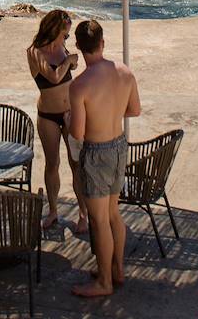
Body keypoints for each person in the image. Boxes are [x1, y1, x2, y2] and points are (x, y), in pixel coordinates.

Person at [67, 19, 140, 299]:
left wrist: (71, 117)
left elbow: (78, 132)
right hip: (119, 146)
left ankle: (105, 283)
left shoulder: (80, 86)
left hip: (96, 152)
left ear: (78, 47)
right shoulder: (125, 72)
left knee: (98, 220)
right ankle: (117, 270)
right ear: (102, 43)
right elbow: (134, 111)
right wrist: (111, 111)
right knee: (112, 213)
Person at [26, 9, 85, 232]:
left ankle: (83, 213)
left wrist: (71, 61)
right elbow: (53, 76)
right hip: (48, 116)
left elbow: (68, 71)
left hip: (70, 112)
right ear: (53, 32)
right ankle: (53, 211)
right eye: (64, 35)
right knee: (53, 164)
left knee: (76, 163)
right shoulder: (34, 52)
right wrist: (69, 60)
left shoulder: (62, 47)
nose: (66, 39)